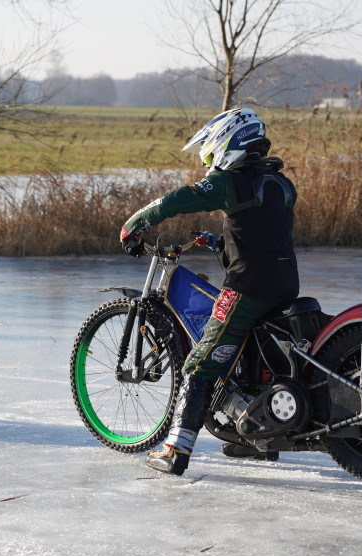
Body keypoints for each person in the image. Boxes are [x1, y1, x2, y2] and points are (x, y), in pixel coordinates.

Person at [118, 108, 299, 476]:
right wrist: (219, 242)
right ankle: (256, 438)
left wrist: (134, 224)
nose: (208, 162)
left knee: (200, 362)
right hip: (284, 283)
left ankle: (175, 450)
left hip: (247, 288)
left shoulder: (231, 181)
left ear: (228, 143)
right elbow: (262, 234)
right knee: (253, 358)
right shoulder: (280, 183)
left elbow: (177, 200)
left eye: (210, 154)